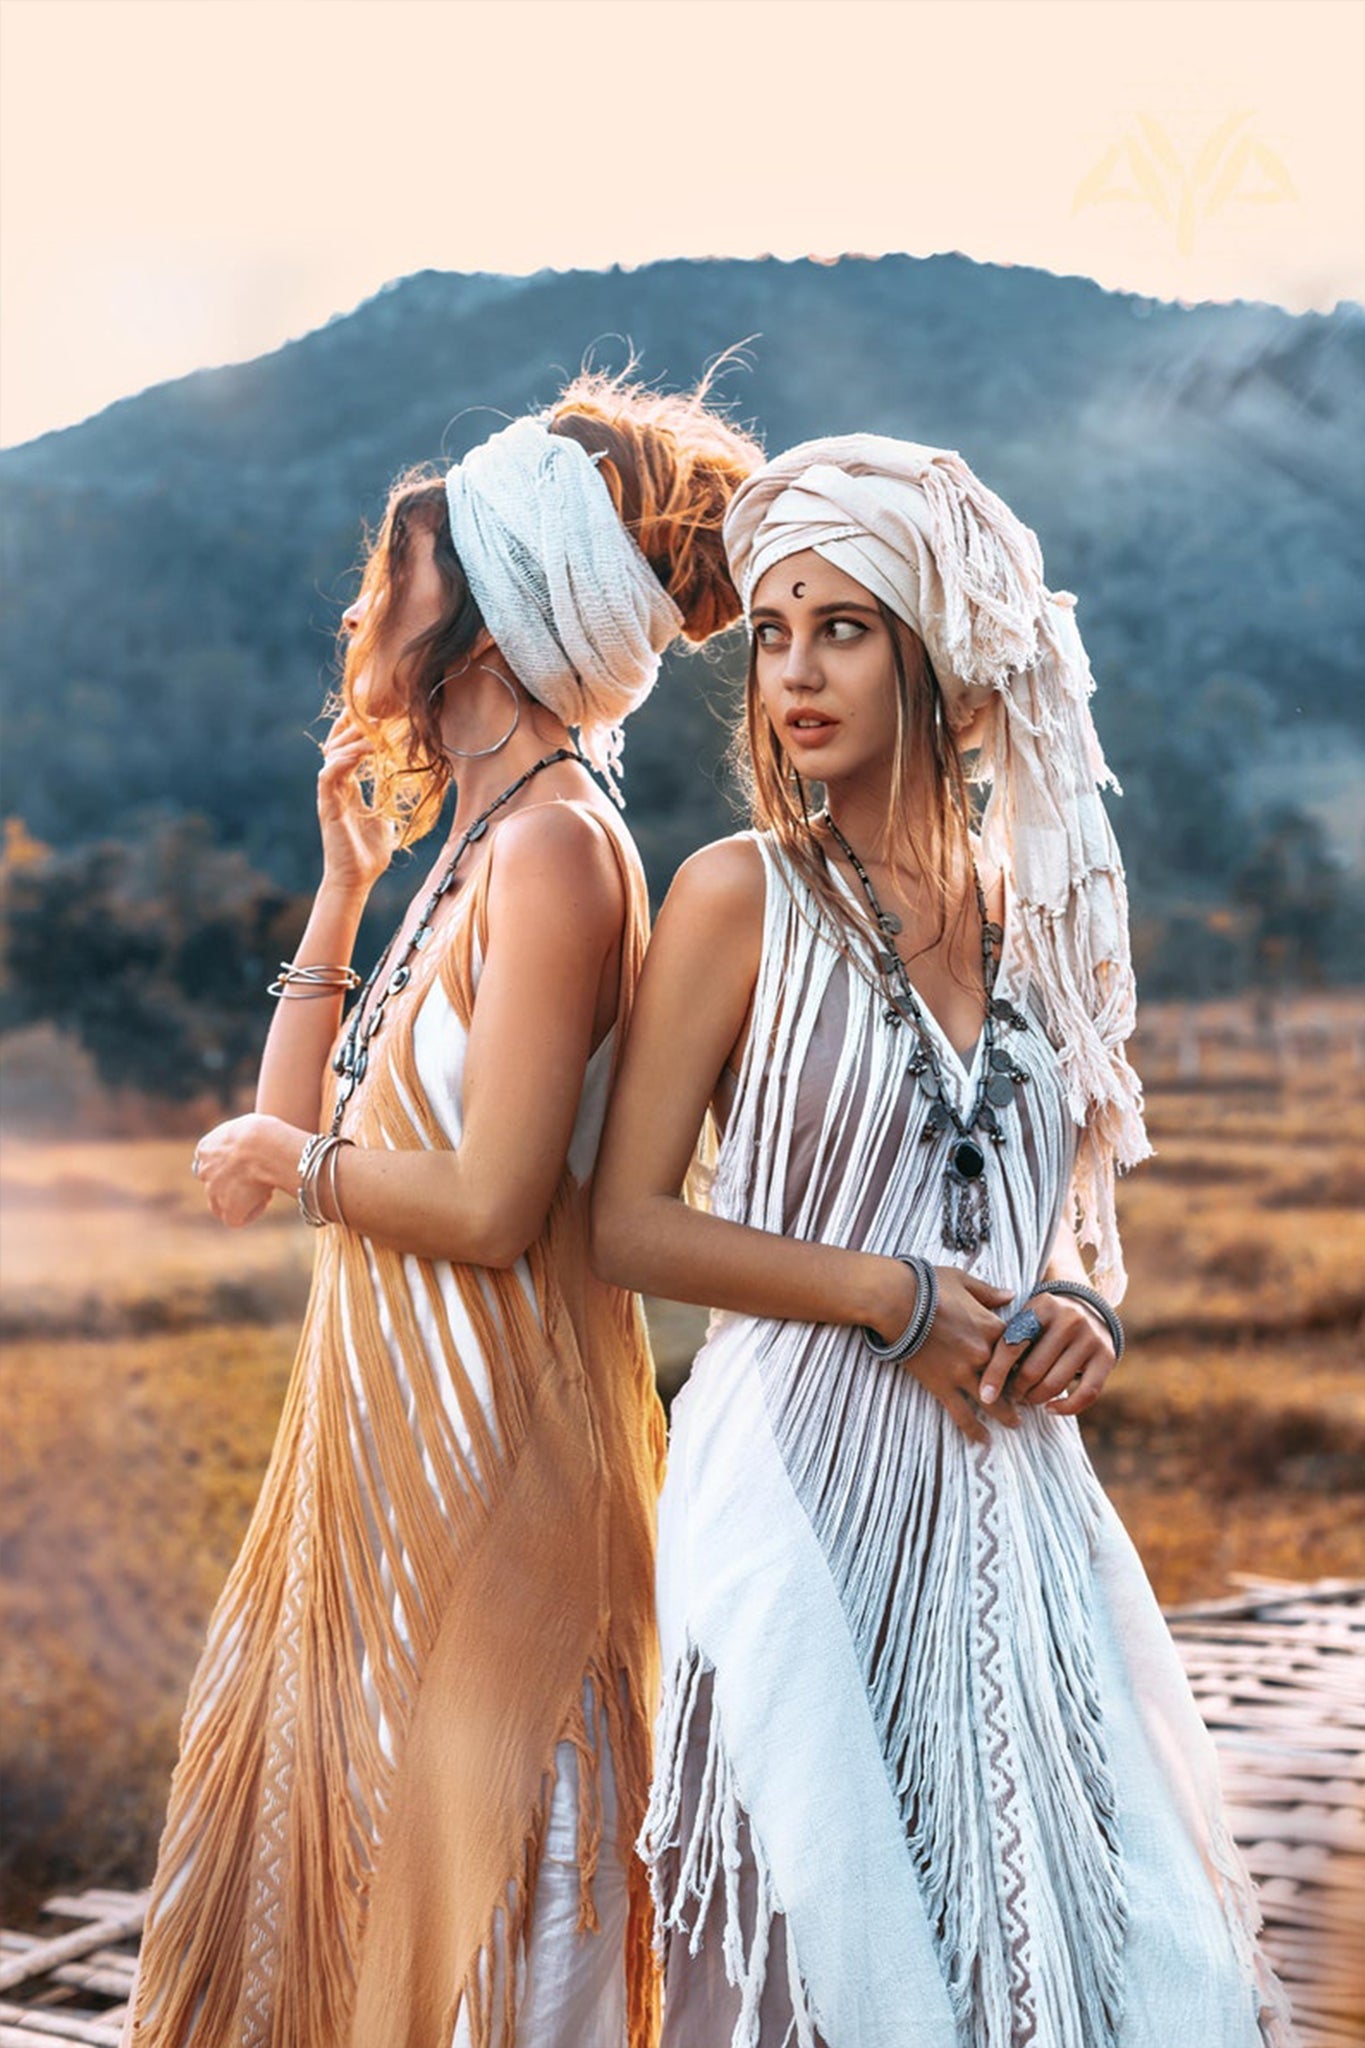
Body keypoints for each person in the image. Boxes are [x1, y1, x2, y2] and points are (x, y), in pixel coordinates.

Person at [591, 437, 1296, 2047]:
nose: (792, 673)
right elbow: (620, 1227)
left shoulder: (1037, 915)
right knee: (824, 1941)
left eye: (840, 628)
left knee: (1093, 1926)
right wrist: (886, 1294)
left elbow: (1057, 1226)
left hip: (1007, 1493)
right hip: (793, 1469)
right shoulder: (734, 895)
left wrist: (1075, 1312)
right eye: (771, 634)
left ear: (931, 649)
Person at [123, 371, 761, 2048]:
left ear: (488, 610)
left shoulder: (556, 852)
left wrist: (298, 1166)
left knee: (475, 1941)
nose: (362, 604)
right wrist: (337, 893)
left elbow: (481, 1207)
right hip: (389, 1469)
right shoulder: (470, 850)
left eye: (395, 575)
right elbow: (280, 1145)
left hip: (493, 1487)